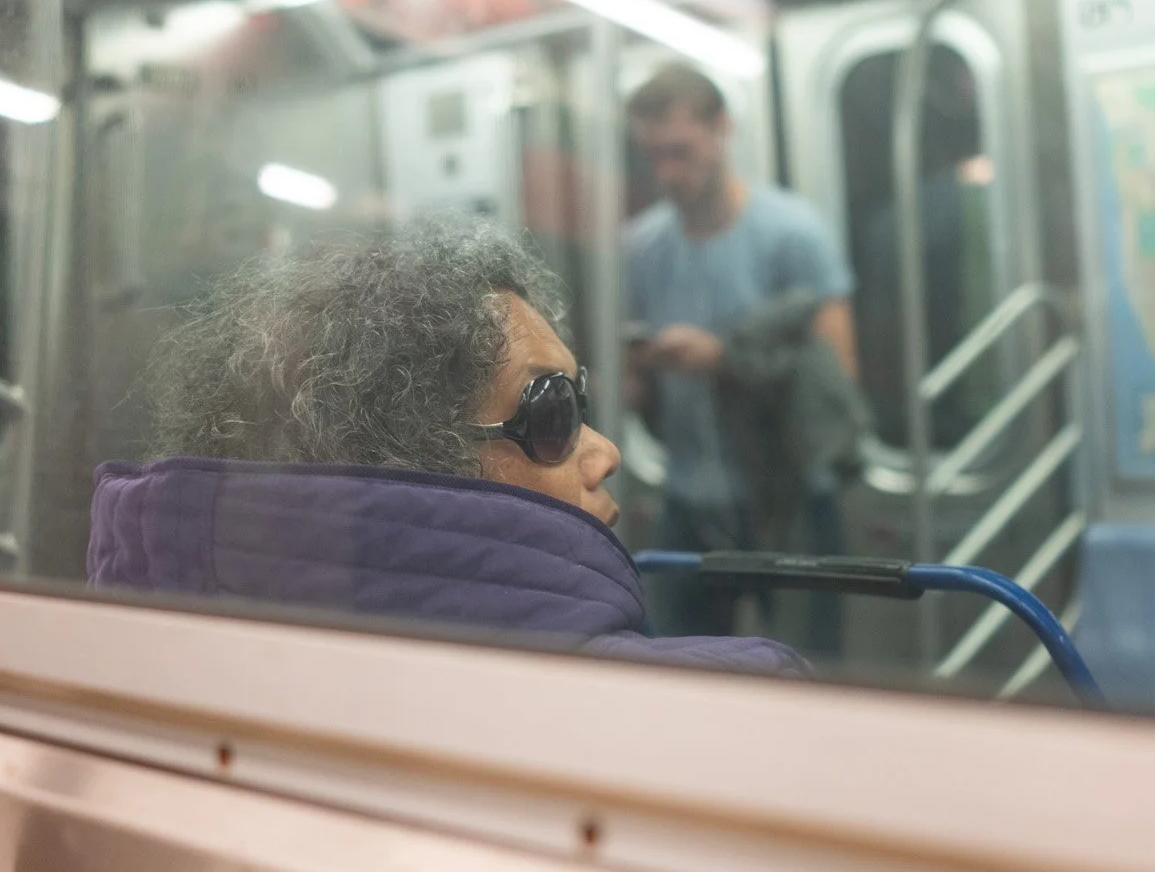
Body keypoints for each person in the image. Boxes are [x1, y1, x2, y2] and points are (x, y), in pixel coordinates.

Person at [87, 218, 807, 678]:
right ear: (412, 461)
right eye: (554, 412)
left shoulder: (122, 667)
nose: (606, 452)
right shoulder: (745, 703)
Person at [624, 64, 866, 653]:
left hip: (790, 496)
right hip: (688, 496)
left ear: (722, 130)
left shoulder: (792, 234)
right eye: (654, 156)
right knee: (683, 677)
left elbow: (840, 381)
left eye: (681, 152)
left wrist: (724, 360)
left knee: (811, 675)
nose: (668, 174)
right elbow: (632, 384)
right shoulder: (643, 247)